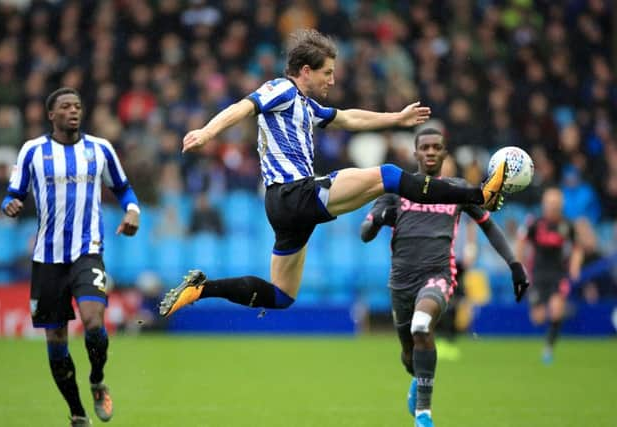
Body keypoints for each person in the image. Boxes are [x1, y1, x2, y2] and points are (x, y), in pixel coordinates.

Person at [159, 29, 508, 319]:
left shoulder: (306, 106)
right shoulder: (281, 89)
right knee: (387, 175)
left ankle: (201, 289)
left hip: (285, 208)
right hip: (294, 194)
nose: (332, 79)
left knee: (281, 295)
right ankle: (479, 195)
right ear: (305, 71)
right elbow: (242, 107)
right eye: (327, 72)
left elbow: (348, 118)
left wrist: (395, 118)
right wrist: (206, 132)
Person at [359, 128, 529, 427]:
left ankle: (424, 414)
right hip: (401, 281)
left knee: (422, 325)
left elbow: (488, 225)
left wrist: (514, 263)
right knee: (409, 356)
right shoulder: (397, 190)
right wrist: (379, 220)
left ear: (444, 153)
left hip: (438, 275)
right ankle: (418, 380)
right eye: (424, 147)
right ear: (415, 153)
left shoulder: (457, 189)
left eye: (437, 147)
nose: (430, 151)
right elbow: (365, 232)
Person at [1, 87, 140, 427]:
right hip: (47, 258)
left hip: (87, 250)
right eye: (65, 107)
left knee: (94, 322)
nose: (73, 111)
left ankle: (96, 379)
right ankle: (77, 413)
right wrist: (10, 205)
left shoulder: (99, 149)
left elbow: (122, 187)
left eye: (77, 106)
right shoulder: (33, 151)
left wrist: (132, 210)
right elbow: (13, 194)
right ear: (52, 114)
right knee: (57, 339)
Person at [515, 187, 583, 364]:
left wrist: (575, 266)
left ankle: (548, 348)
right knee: (537, 317)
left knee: (555, 309)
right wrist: (519, 266)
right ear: (544, 204)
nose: (553, 207)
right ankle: (563, 311)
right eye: (549, 203)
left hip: (558, 274)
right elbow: (521, 243)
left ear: (561, 205)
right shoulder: (535, 224)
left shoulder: (567, 225)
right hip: (537, 274)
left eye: (556, 203)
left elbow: (577, 248)